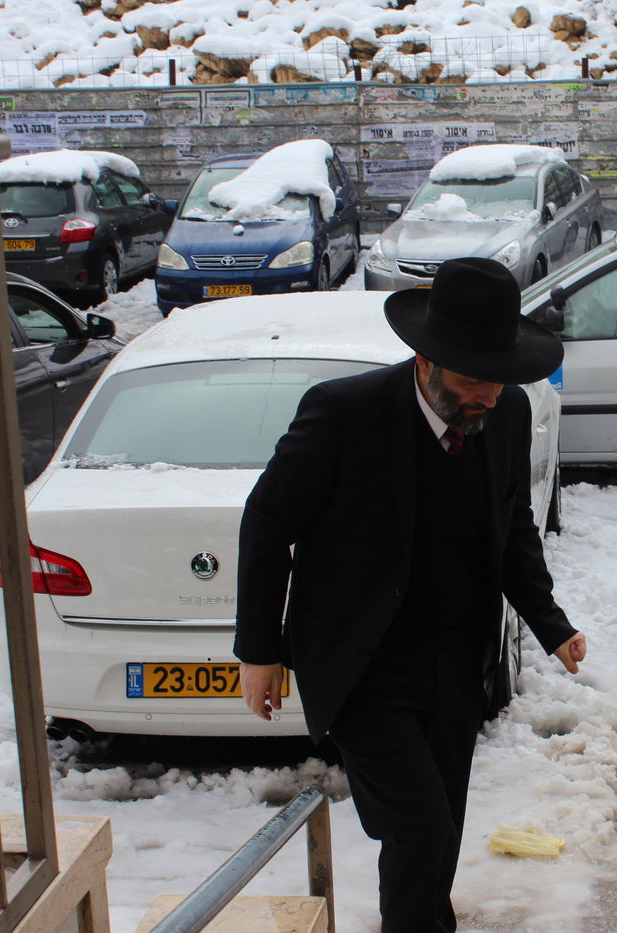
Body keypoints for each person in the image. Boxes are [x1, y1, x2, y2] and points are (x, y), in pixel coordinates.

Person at [234, 256, 587, 933]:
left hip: (457, 663)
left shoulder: (506, 413)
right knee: (421, 828)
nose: (487, 393)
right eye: (472, 377)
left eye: (498, 376)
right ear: (426, 360)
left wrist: (548, 620)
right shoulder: (345, 414)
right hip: (364, 665)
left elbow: (512, 527)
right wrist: (259, 649)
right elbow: (267, 522)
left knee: (436, 834)